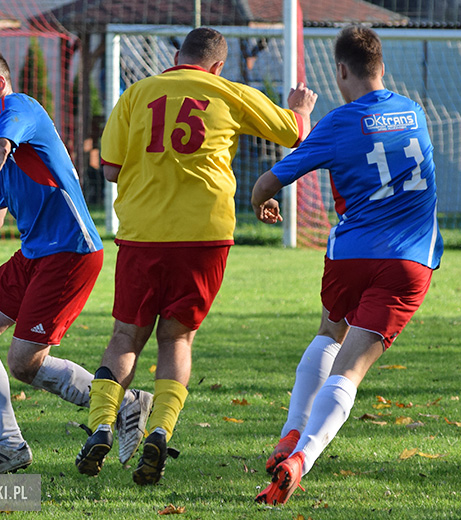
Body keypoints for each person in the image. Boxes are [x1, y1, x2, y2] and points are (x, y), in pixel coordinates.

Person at [75, 27, 317, 485]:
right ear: (218, 65)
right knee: (177, 340)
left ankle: (103, 423)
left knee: (126, 337)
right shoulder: (227, 91)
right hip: (204, 237)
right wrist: (300, 109)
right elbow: (293, 134)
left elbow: (109, 169)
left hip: (143, 235)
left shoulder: (137, 93)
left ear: (176, 56)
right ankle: (160, 430)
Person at [0, 47, 152, 474]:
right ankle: (8, 447)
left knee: (25, 362)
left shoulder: (18, 109)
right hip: (33, 254)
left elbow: (0, 146)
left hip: (70, 254)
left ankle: (124, 403)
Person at [252, 25, 444, 505]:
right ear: (380, 67)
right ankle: (302, 457)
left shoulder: (338, 123)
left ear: (341, 71)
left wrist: (262, 199)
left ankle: (291, 432)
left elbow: (270, 181)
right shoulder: (415, 112)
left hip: (351, 255)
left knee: (328, 334)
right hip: (410, 260)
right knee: (351, 369)